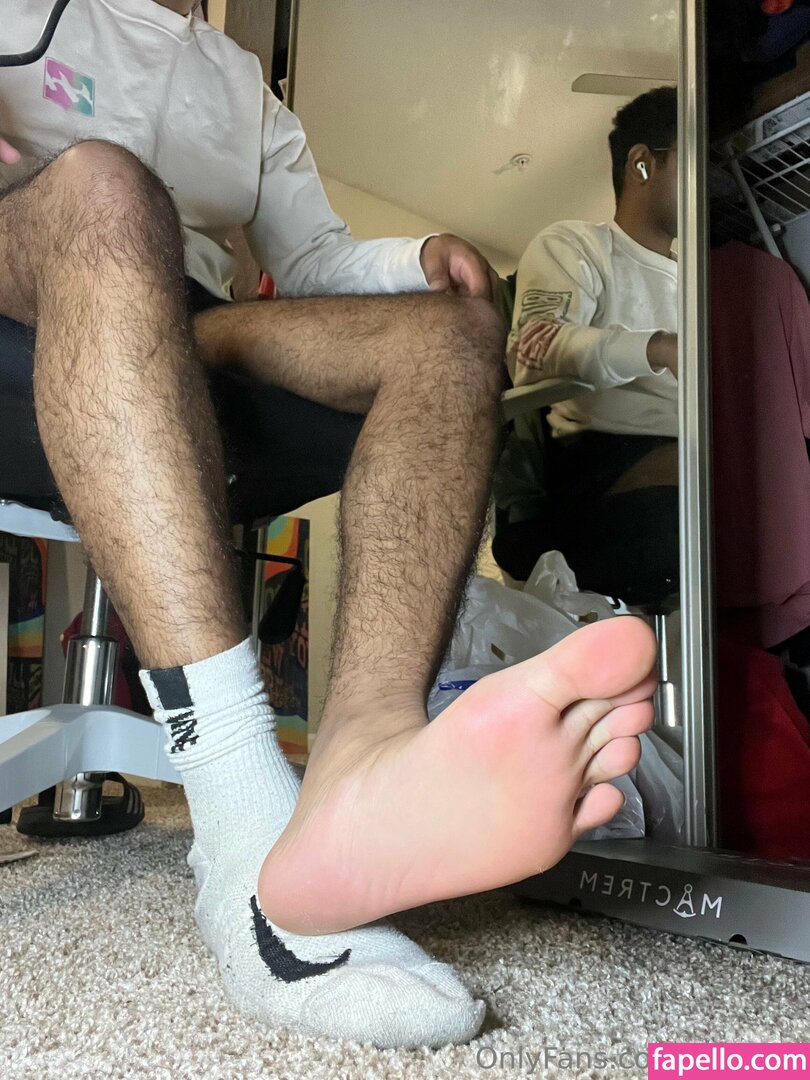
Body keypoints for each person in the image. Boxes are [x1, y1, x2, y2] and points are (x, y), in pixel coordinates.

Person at [0, 0, 656, 1049]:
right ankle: (244, 820)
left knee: (455, 336)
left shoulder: (240, 86)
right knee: (102, 187)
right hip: (26, 297)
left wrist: (417, 257)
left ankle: (361, 772)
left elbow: (312, 258)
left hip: (194, 326)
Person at [494, 87, 680, 605]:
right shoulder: (577, 246)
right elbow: (537, 349)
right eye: (696, 161)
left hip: (684, 454)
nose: (710, 179)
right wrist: (658, 347)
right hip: (600, 459)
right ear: (642, 164)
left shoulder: (698, 277)